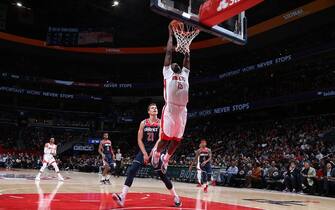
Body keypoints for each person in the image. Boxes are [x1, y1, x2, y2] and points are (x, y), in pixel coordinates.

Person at [113, 103, 181, 207]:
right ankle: (122, 196)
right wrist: (145, 153)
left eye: (156, 108)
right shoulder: (143, 123)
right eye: (152, 108)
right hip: (144, 150)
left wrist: (153, 151)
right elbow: (139, 140)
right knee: (132, 170)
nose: (155, 109)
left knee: (162, 176)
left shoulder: (161, 123)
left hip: (156, 150)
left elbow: (160, 139)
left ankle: (176, 197)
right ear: (148, 111)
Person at [151, 23, 191, 174]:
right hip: (170, 108)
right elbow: (169, 52)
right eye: (173, 62)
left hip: (182, 111)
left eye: (176, 63)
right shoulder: (167, 72)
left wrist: (187, 43)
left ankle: (166, 159)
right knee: (165, 138)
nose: (174, 62)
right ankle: (156, 154)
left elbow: (187, 57)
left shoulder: (185, 74)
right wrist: (170, 35)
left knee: (177, 140)